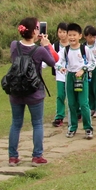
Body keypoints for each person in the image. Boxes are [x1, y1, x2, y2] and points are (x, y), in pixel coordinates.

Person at [6, 18, 58, 166]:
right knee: (37, 123)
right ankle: (37, 156)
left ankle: (13, 157)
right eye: (37, 28)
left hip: (16, 91)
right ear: (34, 31)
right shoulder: (40, 50)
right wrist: (46, 46)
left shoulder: (14, 45)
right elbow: (53, 62)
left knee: (16, 123)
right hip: (34, 92)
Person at [58, 23, 94, 140]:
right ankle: (72, 127)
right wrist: (61, 68)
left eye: (74, 35)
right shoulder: (65, 50)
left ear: (80, 36)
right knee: (71, 104)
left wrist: (83, 69)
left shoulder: (85, 49)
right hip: (70, 77)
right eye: (70, 35)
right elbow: (58, 61)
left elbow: (92, 63)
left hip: (82, 78)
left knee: (84, 104)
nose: (72, 37)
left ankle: (88, 128)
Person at [82, 25, 96, 120]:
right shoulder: (83, 46)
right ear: (85, 36)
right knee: (89, 89)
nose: (92, 39)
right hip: (88, 68)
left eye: (94, 37)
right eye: (90, 37)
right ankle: (92, 107)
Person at [50, 24, 70, 127]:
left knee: (73, 95)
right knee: (60, 95)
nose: (61, 34)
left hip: (72, 74)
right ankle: (59, 116)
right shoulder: (55, 46)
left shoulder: (72, 44)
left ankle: (77, 112)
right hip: (60, 74)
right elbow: (52, 60)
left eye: (64, 32)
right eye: (59, 32)